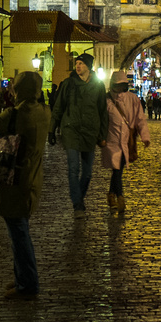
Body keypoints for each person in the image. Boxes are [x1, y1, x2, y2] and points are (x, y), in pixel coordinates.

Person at [0, 73, 48, 300]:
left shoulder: (16, 114)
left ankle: (28, 284)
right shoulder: (45, 112)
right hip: (32, 177)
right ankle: (23, 278)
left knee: (19, 234)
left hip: (15, 179)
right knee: (20, 229)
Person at [51, 53, 108, 213]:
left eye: (81, 63)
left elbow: (103, 111)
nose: (77, 66)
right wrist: (52, 128)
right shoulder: (68, 84)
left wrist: (103, 134)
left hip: (90, 132)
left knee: (88, 173)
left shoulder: (98, 85)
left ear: (89, 67)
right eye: (76, 63)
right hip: (71, 130)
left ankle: (79, 198)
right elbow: (58, 106)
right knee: (73, 168)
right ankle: (77, 203)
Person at [101, 70, 150, 216]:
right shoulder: (106, 101)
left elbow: (140, 118)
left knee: (118, 168)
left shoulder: (133, 99)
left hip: (126, 141)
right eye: (116, 85)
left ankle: (111, 195)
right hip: (111, 140)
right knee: (117, 169)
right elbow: (102, 121)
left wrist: (145, 136)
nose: (118, 88)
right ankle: (120, 197)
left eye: (121, 85)